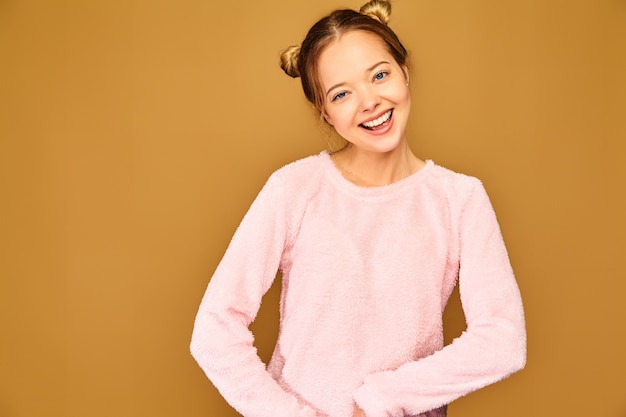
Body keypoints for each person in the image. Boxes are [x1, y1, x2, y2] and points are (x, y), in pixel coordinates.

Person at [190, 1, 526, 416]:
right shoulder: (294, 189)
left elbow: (502, 338)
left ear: (404, 73)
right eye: (342, 93)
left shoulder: (460, 199)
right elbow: (214, 329)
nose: (368, 101)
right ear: (325, 113)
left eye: (380, 75)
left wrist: (385, 397)